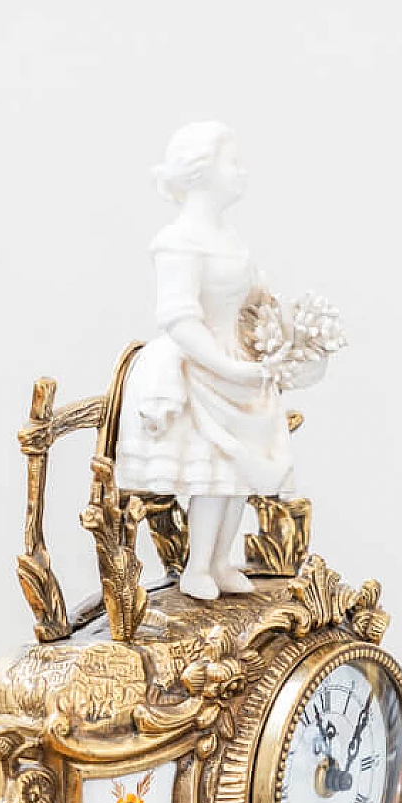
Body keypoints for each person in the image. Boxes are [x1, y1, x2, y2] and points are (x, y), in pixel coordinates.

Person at [114, 121, 298, 600]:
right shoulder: (179, 241)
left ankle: (220, 560)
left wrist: (279, 329)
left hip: (238, 363)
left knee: (238, 478)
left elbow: (251, 296)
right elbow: (179, 317)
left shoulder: (230, 238)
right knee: (212, 476)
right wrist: (226, 365)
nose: (241, 172)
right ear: (200, 173)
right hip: (201, 368)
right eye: (231, 162)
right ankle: (197, 566)